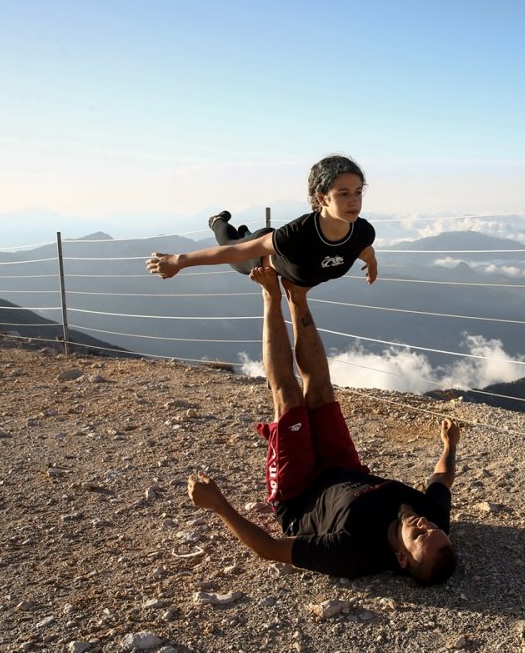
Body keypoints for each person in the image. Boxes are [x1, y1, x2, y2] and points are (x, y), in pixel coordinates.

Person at [187, 266, 459, 584]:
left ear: (401, 558)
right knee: (320, 391)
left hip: (298, 492)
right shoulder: (433, 516)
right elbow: (442, 479)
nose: (425, 523)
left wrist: (218, 505)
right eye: (433, 528)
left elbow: (270, 548)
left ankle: (271, 296)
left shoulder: (353, 552)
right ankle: (297, 296)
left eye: (420, 535)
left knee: (289, 399)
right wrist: (450, 445)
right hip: (344, 467)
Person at [145, 155, 378, 287]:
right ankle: (217, 221)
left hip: (277, 242)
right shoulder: (298, 234)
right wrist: (178, 261)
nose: (354, 200)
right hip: (260, 255)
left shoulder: (363, 232)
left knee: (247, 237)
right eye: (343, 193)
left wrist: (373, 264)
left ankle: (245, 232)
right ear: (322, 198)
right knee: (230, 241)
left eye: (358, 192)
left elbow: (364, 250)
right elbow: (235, 253)